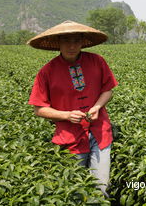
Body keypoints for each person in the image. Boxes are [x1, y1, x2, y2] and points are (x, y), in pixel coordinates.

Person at [27, 20, 118, 196]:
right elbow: (38, 109)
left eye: (76, 41)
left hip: (100, 132)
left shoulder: (97, 61)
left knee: (101, 187)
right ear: (58, 43)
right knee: (73, 189)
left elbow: (108, 90)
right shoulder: (47, 72)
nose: (72, 46)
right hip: (70, 138)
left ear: (83, 42)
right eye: (67, 41)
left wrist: (97, 107)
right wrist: (67, 115)